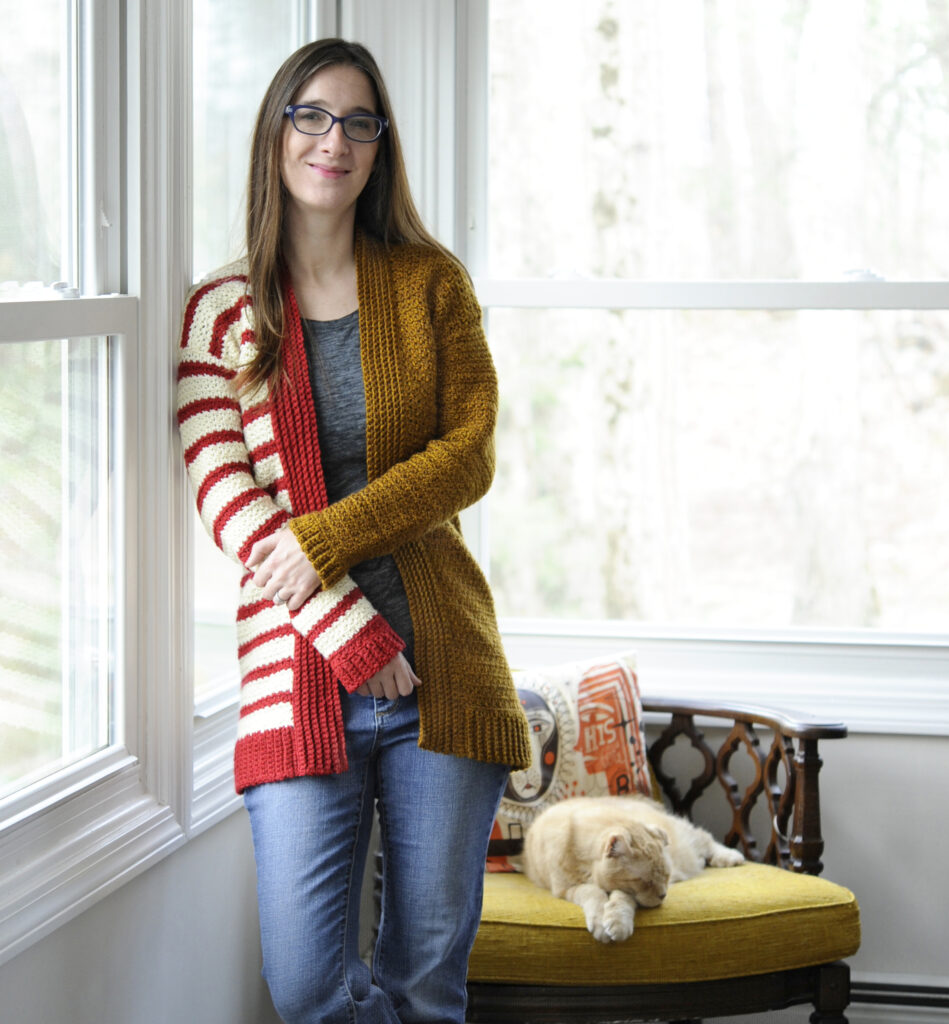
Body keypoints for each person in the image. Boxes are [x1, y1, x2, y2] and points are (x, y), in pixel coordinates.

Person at [176, 37, 531, 1024]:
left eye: (359, 121)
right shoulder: (220, 312)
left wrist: (327, 538)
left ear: (381, 146)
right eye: (313, 116)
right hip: (299, 680)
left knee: (426, 986)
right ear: (276, 131)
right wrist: (354, 636)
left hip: (443, 677)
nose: (335, 140)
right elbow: (232, 503)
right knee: (307, 989)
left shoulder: (429, 284)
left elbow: (469, 454)